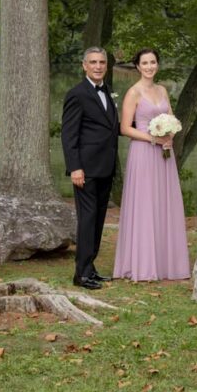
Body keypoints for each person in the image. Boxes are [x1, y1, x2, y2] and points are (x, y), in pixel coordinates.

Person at [113, 49, 190, 281]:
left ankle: (167, 263)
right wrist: (153, 138)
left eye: (153, 62)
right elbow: (125, 128)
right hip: (144, 152)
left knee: (164, 202)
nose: (149, 66)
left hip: (164, 154)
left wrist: (170, 134)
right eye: (145, 63)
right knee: (145, 204)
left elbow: (173, 119)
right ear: (137, 66)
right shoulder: (133, 93)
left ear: (157, 64)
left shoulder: (162, 90)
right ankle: (143, 264)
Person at [62, 47, 119, 290]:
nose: (98, 66)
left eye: (102, 62)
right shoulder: (77, 94)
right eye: (93, 62)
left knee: (97, 221)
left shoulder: (106, 90)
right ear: (84, 66)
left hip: (105, 166)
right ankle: (81, 274)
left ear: (106, 65)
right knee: (87, 220)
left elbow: (110, 126)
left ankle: (90, 268)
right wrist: (75, 167)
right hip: (85, 168)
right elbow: (69, 134)